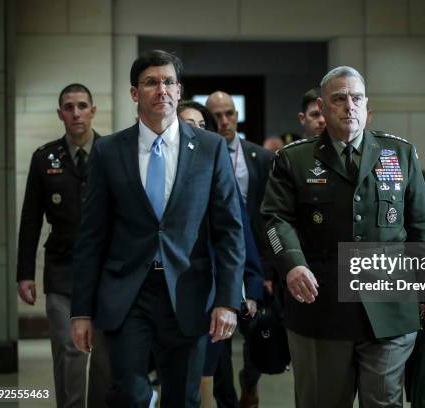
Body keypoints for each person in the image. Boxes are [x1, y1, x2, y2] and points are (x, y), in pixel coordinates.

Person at [70, 50, 245, 408]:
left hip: (188, 293)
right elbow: (91, 236)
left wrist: (227, 300)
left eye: (168, 82)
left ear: (179, 91)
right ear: (135, 93)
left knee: (183, 398)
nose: (161, 89)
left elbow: (229, 231)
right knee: (129, 396)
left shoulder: (210, 149)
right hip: (127, 293)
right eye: (151, 82)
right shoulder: (108, 151)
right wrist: (81, 311)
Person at [262, 66, 425, 407]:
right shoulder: (294, 159)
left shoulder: (399, 154)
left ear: (367, 104)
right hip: (321, 307)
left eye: (356, 98)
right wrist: (291, 265)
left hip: (390, 307)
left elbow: (421, 226)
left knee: (384, 401)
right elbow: (274, 220)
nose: (350, 107)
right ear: (322, 106)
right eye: (339, 99)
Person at [16, 83, 110, 408]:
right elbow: (30, 220)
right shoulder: (45, 158)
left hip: (105, 271)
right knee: (68, 350)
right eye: (68, 107)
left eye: (82, 106)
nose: (76, 113)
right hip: (61, 270)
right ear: (60, 114)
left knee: (102, 354)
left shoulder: (111, 153)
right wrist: (24, 274)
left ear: (93, 111)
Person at [177, 101, 264, 408]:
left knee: (211, 378)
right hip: (169, 294)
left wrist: (251, 287)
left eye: (202, 126)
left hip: (214, 292)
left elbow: (241, 236)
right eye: (188, 125)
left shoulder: (217, 170)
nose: (195, 132)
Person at [206, 91, 274, 408]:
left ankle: (250, 379)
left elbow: (272, 217)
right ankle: (226, 400)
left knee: (258, 333)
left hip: (254, 261)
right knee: (217, 340)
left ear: (236, 115)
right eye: (216, 116)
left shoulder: (260, 157)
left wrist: (269, 269)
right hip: (217, 262)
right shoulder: (200, 156)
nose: (223, 121)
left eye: (228, 114)